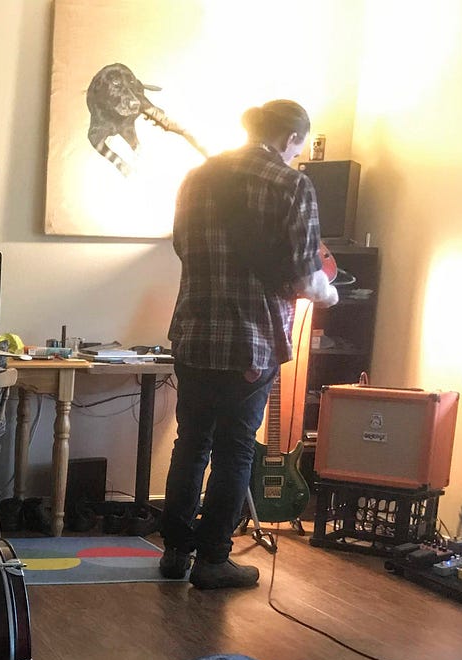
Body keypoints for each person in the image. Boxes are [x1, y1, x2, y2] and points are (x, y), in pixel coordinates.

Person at [159, 99, 339, 590]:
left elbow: (181, 246)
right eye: (299, 145)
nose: (298, 153)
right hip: (251, 342)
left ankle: (174, 553)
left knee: (190, 444)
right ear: (291, 137)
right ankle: (213, 560)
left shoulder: (197, 178)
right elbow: (306, 276)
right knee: (235, 451)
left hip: (193, 333)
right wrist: (330, 292)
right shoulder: (291, 184)